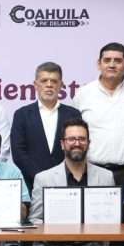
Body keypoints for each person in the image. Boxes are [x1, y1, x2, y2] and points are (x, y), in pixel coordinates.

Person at [28, 118, 116, 246]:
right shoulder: (44, 178)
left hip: (92, 245)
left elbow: (111, 220)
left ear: (88, 143)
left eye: (82, 139)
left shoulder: (106, 177)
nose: (77, 143)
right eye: (71, 139)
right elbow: (35, 219)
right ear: (62, 144)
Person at [74, 42, 124, 187]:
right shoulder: (84, 93)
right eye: (107, 60)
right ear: (99, 64)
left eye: (118, 61)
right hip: (92, 171)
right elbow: (75, 133)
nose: (112, 65)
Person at [9, 61, 82, 190]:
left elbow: (77, 149)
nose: (49, 85)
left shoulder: (73, 114)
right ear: (35, 85)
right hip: (32, 184)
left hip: (66, 184)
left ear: (61, 85)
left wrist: (63, 177)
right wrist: (40, 178)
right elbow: (19, 153)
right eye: (44, 81)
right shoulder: (22, 115)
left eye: (54, 81)